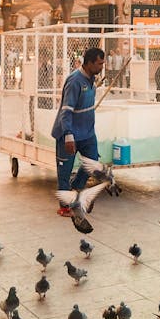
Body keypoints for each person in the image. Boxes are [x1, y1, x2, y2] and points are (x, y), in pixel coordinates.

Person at [51, 47, 105, 213]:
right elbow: (66, 110)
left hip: (88, 133)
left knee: (93, 162)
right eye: (99, 64)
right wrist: (68, 135)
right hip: (70, 133)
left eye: (103, 63)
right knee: (64, 171)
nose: (101, 67)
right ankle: (65, 206)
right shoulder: (74, 81)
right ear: (88, 63)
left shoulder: (92, 79)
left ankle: (77, 188)